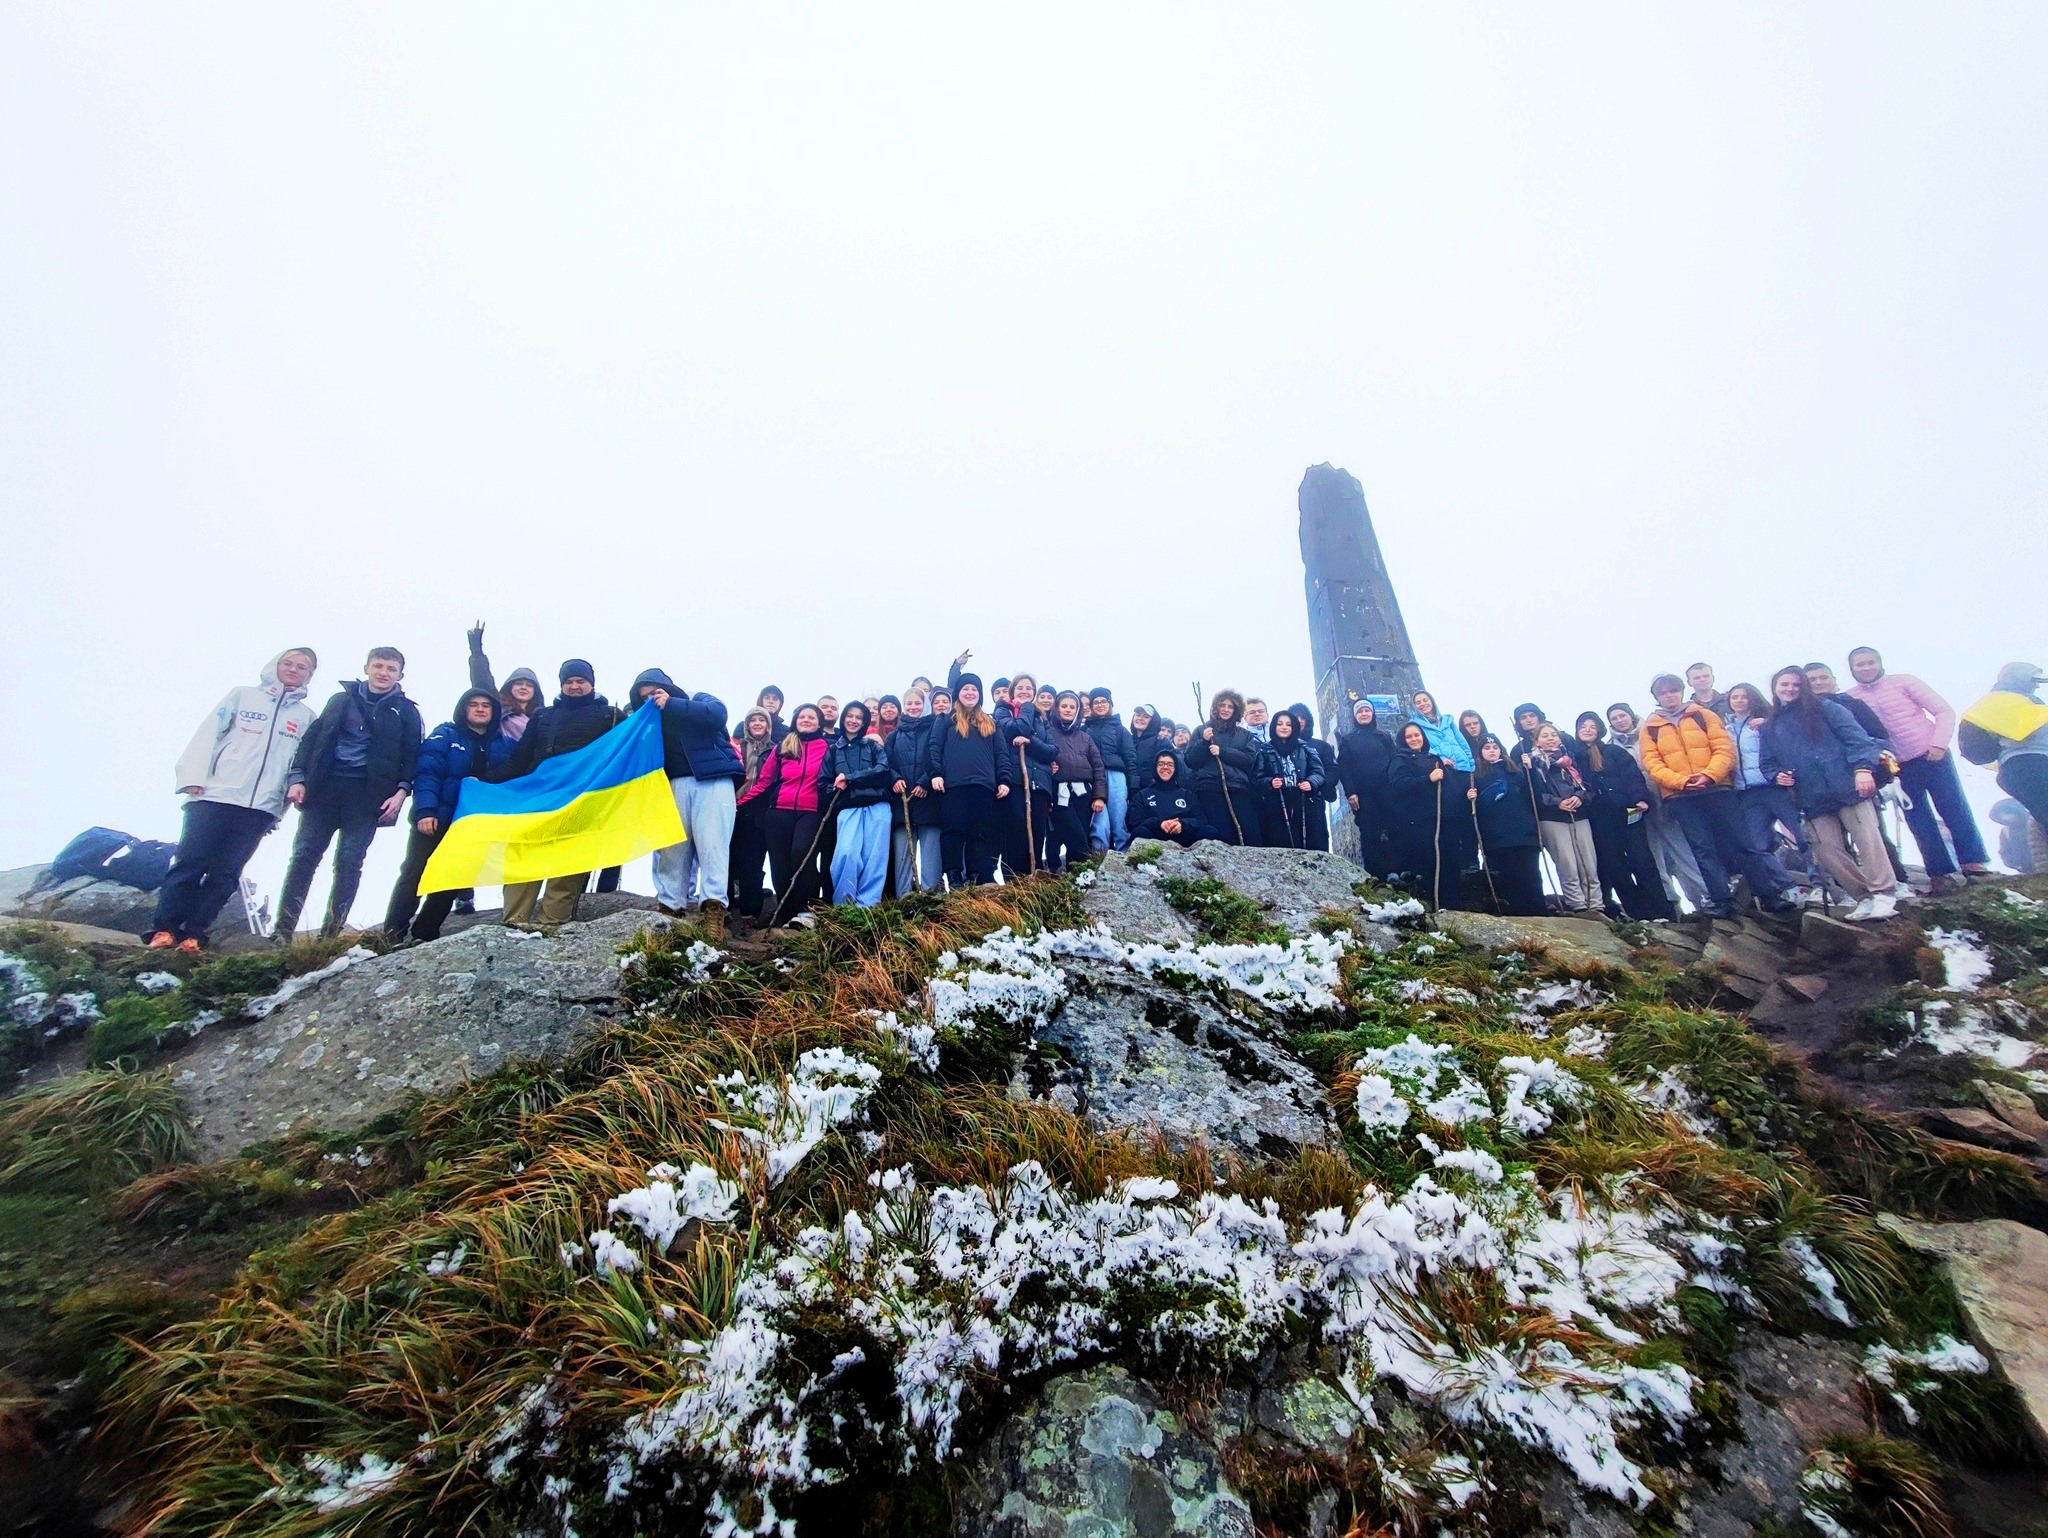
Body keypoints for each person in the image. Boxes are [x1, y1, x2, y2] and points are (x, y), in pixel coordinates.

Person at [147, 649, 320, 952]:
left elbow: (298, 765)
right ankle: (165, 928)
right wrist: (192, 778)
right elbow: (208, 733)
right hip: (215, 795)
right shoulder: (243, 697)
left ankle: (195, 934)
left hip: (260, 807)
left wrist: (280, 808)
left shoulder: (306, 717)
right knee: (190, 862)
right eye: (288, 663)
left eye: (302, 667)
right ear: (275, 665)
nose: (294, 670)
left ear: (310, 674)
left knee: (227, 872)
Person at [274, 647, 423, 939]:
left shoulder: (406, 711)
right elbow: (312, 740)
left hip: (369, 797)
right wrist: (298, 778)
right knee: (303, 857)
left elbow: (412, 755)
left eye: (391, 669)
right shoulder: (341, 700)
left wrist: (402, 791)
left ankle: (329, 934)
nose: (383, 673)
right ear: (366, 667)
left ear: (400, 675)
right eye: (378, 666)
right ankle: (282, 930)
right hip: (324, 790)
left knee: (349, 862)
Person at [1639, 673, 1800, 919]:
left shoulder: (1704, 715)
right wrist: (1681, 781)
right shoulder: (1650, 727)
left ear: (1681, 692)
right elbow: (1652, 763)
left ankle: (1769, 896)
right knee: (1703, 849)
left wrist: (1710, 775)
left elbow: (1724, 749)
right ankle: (1721, 900)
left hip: (1718, 789)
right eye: (1664, 692)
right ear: (1656, 697)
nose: (1669, 696)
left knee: (1743, 843)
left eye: (1673, 690)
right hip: (1680, 796)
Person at [1761, 666, 1898, 922]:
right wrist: (1776, 775)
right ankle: (1863, 897)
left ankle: (1883, 893)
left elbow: (1857, 739)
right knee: (1827, 850)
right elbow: (1767, 763)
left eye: (1795, 685)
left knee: (1868, 839)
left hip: (1847, 786)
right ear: (1775, 688)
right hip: (1811, 798)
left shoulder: (1826, 708)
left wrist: (1862, 770)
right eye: (1784, 685)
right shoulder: (1770, 726)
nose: (1790, 689)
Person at [1848, 647, 1991, 892]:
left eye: (1870, 662)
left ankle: (1973, 861)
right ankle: (1939, 872)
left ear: (1880, 663)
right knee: (1918, 819)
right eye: (1860, 664)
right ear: (1852, 669)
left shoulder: (1904, 682)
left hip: (1931, 755)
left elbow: (1944, 710)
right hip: (1895, 766)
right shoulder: (1851, 698)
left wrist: (1938, 744)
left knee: (1953, 807)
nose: (1866, 668)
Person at [500, 660, 624, 927]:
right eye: (569, 681)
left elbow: (628, 753)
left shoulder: (610, 716)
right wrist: (487, 783)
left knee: (568, 863)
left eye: (580, 681)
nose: (574, 686)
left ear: (591, 683)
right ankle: (514, 922)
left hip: (582, 798)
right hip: (538, 795)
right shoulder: (543, 715)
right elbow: (520, 758)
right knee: (524, 856)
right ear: (561, 685)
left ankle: (552, 923)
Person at [383, 688, 504, 943]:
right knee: (415, 872)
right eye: (474, 704)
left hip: (472, 825)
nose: (480, 709)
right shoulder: (446, 734)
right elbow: (428, 772)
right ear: (464, 708)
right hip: (436, 816)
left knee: (453, 876)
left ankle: (426, 933)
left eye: (486, 705)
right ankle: (392, 933)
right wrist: (425, 811)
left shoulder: (502, 744)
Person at [633, 670, 743, 937]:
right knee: (671, 848)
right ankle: (670, 906)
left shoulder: (695, 699)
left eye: (655, 691)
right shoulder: (645, 722)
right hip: (672, 783)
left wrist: (672, 704)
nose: (651, 698)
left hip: (713, 779)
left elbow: (718, 714)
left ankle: (713, 910)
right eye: (644, 696)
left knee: (713, 846)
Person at [1608, 701, 1709, 912]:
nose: (1619, 720)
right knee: (1652, 855)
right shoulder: (1610, 747)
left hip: (1663, 797)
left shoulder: (1652, 732)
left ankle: (1704, 895)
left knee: (1681, 849)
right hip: (1637, 807)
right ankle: (1671, 903)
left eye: (1622, 715)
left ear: (1631, 715)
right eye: (1614, 718)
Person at [1574, 712, 1672, 920]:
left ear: (1600, 730)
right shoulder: (1574, 759)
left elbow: (1632, 776)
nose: (1588, 729)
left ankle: (1662, 911)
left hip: (1628, 811)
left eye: (1593, 726)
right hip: (1599, 819)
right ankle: (1638, 914)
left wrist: (1640, 799)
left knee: (1642, 861)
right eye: (1583, 726)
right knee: (1615, 867)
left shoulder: (1614, 752)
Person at [1724, 683, 1815, 894]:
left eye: (1744, 697)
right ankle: (1790, 887)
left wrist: (1769, 724)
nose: (1739, 701)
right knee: (1755, 846)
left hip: (1775, 787)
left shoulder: (1767, 721)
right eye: (1734, 697)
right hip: (1747, 792)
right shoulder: (1726, 729)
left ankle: (1821, 883)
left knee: (1803, 836)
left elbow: (1787, 747)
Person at [928, 674, 1012, 887]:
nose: (970, 693)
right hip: (953, 786)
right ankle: (954, 876)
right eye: (965, 689)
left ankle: (975, 875)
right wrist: (935, 773)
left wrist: (1004, 779)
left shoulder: (990, 723)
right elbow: (934, 748)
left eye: (974, 689)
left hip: (984, 786)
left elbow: (1001, 754)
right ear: (958, 693)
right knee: (953, 832)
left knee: (980, 833)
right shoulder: (946, 720)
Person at [1959, 664, 2048, 860]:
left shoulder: (1998, 702)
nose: (2036, 686)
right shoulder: (2012, 701)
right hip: (2030, 765)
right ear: (2020, 678)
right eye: (2034, 681)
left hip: (2015, 768)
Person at [757, 704, 832, 920]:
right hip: (778, 812)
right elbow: (765, 781)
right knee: (779, 864)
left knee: (802, 854)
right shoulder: (782, 747)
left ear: (819, 722)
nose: (806, 720)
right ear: (795, 721)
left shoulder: (829, 747)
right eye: (802, 717)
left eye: (811, 717)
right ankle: (784, 911)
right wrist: (741, 802)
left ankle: (805, 909)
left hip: (812, 811)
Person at [825, 701, 895, 907]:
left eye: (859, 718)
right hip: (848, 806)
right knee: (846, 854)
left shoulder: (873, 746)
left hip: (878, 804)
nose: (854, 721)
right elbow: (824, 782)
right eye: (850, 716)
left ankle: (867, 906)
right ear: (843, 718)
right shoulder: (833, 750)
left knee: (875, 858)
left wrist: (850, 778)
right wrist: (835, 788)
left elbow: (883, 770)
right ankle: (843, 906)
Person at [1528, 723, 1602, 915]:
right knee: (1567, 862)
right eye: (1545, 736)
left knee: (1588, 860)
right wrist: (1557, 802)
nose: (1550, 738)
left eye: (1553, 735)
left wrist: (1579, 796)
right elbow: (1535, 792)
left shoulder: (1571, 762)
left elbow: (1586, 785)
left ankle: (1596, 904)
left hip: (1579, 815)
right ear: (1536, 741)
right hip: (1552, 818)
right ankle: (1577, 904)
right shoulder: (1532, 764)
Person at [1469, 735, 1544, 916]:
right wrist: (1471, 798)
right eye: (1486, 748)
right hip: (1495, 836)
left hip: (1524, 833)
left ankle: (1539, 911)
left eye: (1495, 746)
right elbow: (1473, 808)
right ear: (1480, 753)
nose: (1492, 750)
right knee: (1504, 876)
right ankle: (1511, 912)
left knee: (1530, 874)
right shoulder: (1476, 776)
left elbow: (1535, 794)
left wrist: (1531, 769)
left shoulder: (1516, 772)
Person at [1410, 691, 1476, 884]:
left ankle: (1472, 860)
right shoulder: (1416, 724)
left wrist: (1470, 764)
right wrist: (1439, 758)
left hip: (1463, 769)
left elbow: (1462, 743)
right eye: (1418, 702)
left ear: (1432, 701)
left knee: (1468, 814)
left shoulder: (1448, 721)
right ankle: (1458, 861)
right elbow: (1424, 746)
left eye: (1425, 700)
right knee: (1453, 813)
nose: (1423, 704)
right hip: (1445, 770)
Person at [1185, 689, 1261, 846]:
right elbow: (1190, 760)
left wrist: (1223, 752)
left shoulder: (1245, 735)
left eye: (1230, 706)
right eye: (1222, 705)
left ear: (1236, 709)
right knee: (1221, 833)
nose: (1226, 709)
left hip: (1238, 787)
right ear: (1216, 708)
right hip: (1209, 787)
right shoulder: (1202, 730)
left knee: (1250, 832)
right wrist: (1204, 742)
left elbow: (1249, 759)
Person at [996, 672, 1055, 874]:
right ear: (1013, 691)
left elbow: (1052, 751)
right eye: (1020, 687)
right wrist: (1027, 708)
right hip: (1014, 780)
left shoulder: (1042, 719)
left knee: (1037, 831)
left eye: (1029, 688)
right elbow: (1012, 729)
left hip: (1038, 783)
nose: (1024, 691)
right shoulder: (1003, 711)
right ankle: (1014, 879)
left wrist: (1030, 741)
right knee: (1015, 830)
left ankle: (1035, 876)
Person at [1384, 722, 1450, 901]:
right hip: (1416, 822)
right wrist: (1427, 779)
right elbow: (1399, 785)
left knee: (1446, 866)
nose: (1414, 739)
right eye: (1409, 736)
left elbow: (1448, 788)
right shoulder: (1400, 760)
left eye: (1417, 735)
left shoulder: (1434, 759)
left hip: (1441, 820)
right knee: (1426, 866)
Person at [887, 686, 942, 895]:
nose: (913, 707)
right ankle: (904, 898)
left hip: (929, 801)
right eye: (909, 703)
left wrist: (924, 783)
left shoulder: (935, 728)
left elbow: (939, 758)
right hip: (903, 803)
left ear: (925, 705)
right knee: (903, 854)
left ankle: (932, 895)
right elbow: (887, 763)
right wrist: (895, 779)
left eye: (917, 703)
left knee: (931, 853)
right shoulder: (894, 736)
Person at [1043, 692, 1106, 871]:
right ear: (1057, 708)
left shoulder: (1085, 737)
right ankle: (1081, 871)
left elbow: (1098, 767)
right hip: (1059, 791)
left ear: (1078, 711)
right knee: (1073, 834)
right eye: (1064, 706)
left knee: (1082, 833)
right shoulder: (1047, 732)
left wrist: (1099, 796)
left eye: (1072, 707)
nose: (1068, 710)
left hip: (1084, 793)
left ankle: (1074, 878)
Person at [1336, 699, 1396, 876]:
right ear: (1355, 716)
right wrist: (1351, 792)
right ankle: (1375, 875)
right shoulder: (1348, 740)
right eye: (1360, 711)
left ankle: (1397, 871)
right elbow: (1344, 768)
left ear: (1372, 714)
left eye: (1367, 711)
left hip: (1387, 791)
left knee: (1393, 829)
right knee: (1369, 832)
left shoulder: (1384, 737)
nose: (1364, 714)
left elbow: (1395, 760)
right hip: (1363, 794)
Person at [730, 708, 778, 922]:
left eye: (762, 720)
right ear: (746, 725)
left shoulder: (777, 750)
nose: (757, 723)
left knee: (753, 864)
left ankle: (751, 913)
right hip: (731, 809)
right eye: (753, 720)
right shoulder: (735, 748)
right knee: (728, 861)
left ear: (768, 726)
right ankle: (725, 909)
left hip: (759, 813)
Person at [1257, 709, 1321, 849]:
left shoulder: (1305, 749)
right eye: (1280, 724)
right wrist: (1270, 782)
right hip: (1276, 802)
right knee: (1279, 840)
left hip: (1302, 799)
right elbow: (1256, 778)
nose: (1284, 727)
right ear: (1274, 727)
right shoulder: (1264, 751)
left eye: (1288, 724)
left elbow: (1318, 772)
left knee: (1307, 840)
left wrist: (1310, 783)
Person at [1084, 688, 1137, 853]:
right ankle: (1099, 859)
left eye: (1103, 701)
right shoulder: (1085, 730)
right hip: (1093, 778)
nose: (1100, 705)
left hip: (1116, 777)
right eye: (1096, 702)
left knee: (1119, 820)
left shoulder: (1120, 730)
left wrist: (1134, 786)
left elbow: (1131, 759)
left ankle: (1122, 858)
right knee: (1099, 823)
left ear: (1110, 704)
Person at [1128, 749, 1210, 846]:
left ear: (1176, 769)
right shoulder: (1142, 795)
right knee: (1139, 832)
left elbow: (1201, 820)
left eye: (1170, 765)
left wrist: (1182, 824)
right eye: (1161, 764)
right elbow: (1133, 822)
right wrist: (1159, 824)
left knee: (1209, 831)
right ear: (1155, 767)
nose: (1165, 767)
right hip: (1155, 840)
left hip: (1184, 838)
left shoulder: (1187, 794)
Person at [1285, 703, 1337, 852]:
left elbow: (1333, 771)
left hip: (1314, 801)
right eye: (1296, 717)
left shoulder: (1321, 747)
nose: (1299, 720)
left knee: (1318, 842)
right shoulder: (1279, 747)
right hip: (1289, 802)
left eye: (1303, 717)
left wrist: (1317, 786)